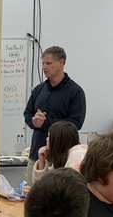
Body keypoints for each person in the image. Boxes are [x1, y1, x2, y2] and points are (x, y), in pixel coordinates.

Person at [24, 45, 86, 183]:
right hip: (37, 153)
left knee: (57, 197)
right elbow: (27, 113)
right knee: (30, 194)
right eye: (43, 63)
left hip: (62, 157)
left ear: (61, 62)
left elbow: (75, 123)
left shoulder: (75, 92)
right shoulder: (38, 90)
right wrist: (33, 121)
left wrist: (45, 123)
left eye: (49, 63)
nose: (44, 67)